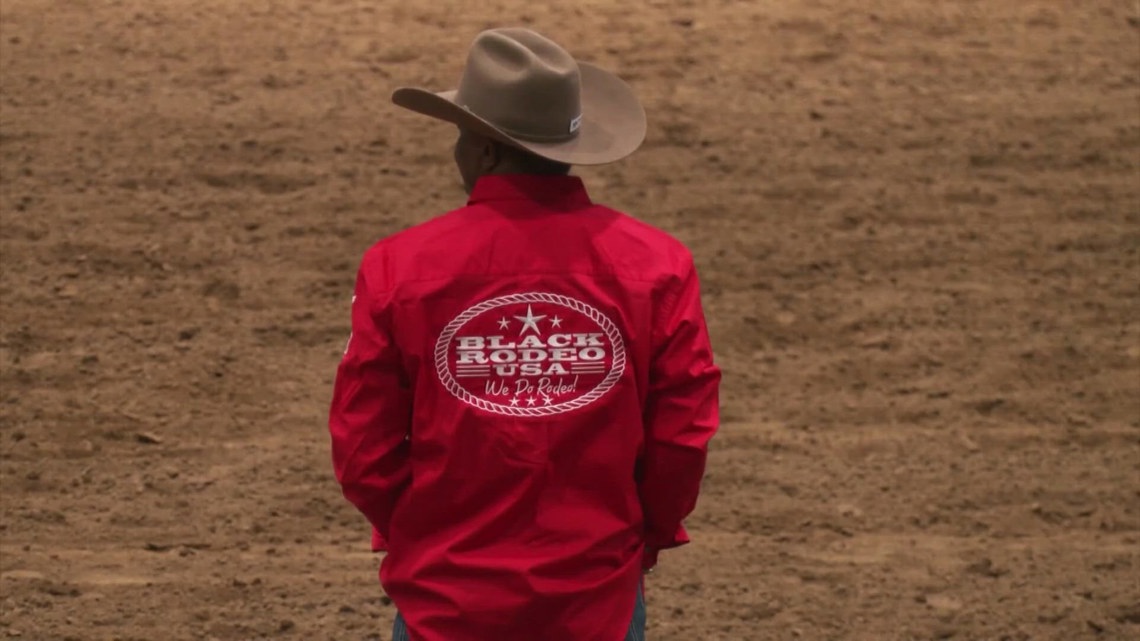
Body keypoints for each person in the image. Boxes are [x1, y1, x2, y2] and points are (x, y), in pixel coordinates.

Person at [329, 27, 720, 641]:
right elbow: (681, 438)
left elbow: (363, 449)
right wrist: (637, 536)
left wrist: (424, 532)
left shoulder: (397, 267)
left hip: (446, 596)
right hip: (595, 593)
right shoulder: (657, 266)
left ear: (484, 151)